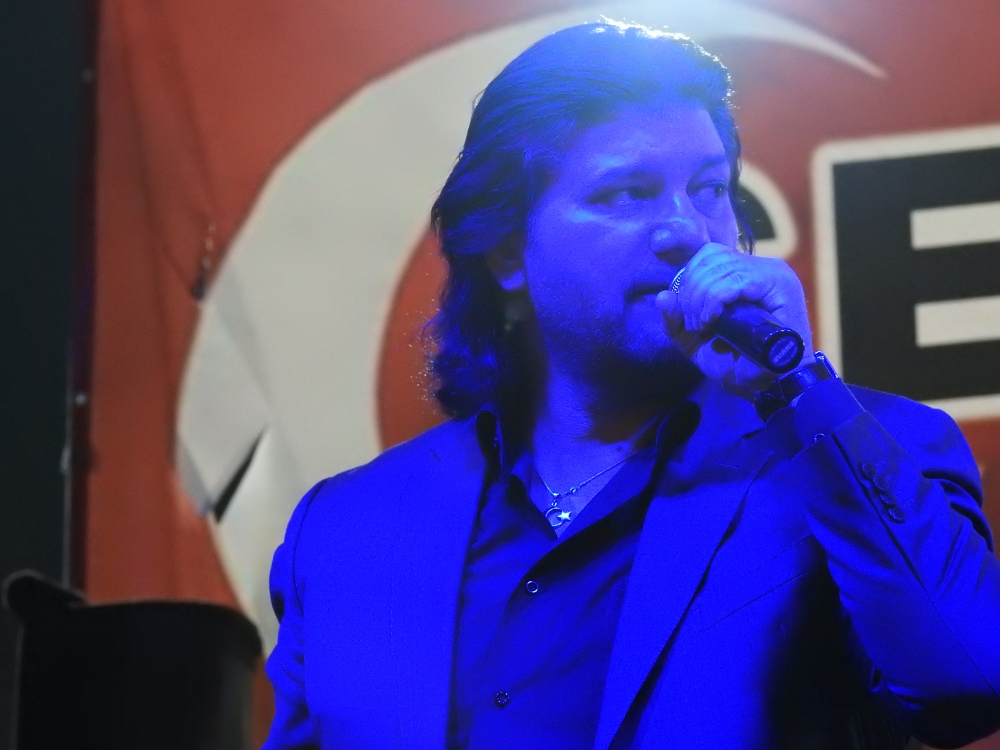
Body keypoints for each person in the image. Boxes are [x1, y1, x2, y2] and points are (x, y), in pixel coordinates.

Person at [262, 22, 1000, 750]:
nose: (687, 230)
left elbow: (969, 683)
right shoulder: (346, 527)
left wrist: (794, 387)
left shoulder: (859, 451)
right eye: (626, 193)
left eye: (710, 188)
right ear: (507, 251)